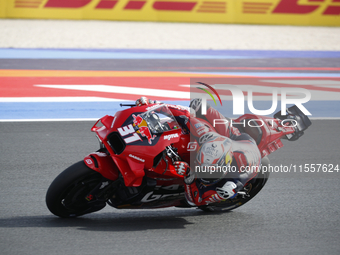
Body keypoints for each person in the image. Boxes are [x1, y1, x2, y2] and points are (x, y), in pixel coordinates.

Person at [135, 97, 262, 207]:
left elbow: (195, 201)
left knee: (210, 195)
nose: (203, 173)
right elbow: (183, 114)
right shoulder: (203, 133)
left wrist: (189, 176)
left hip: (241, 143)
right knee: (198, 105)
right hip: (227, 140)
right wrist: (151, 104)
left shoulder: (231, 183)